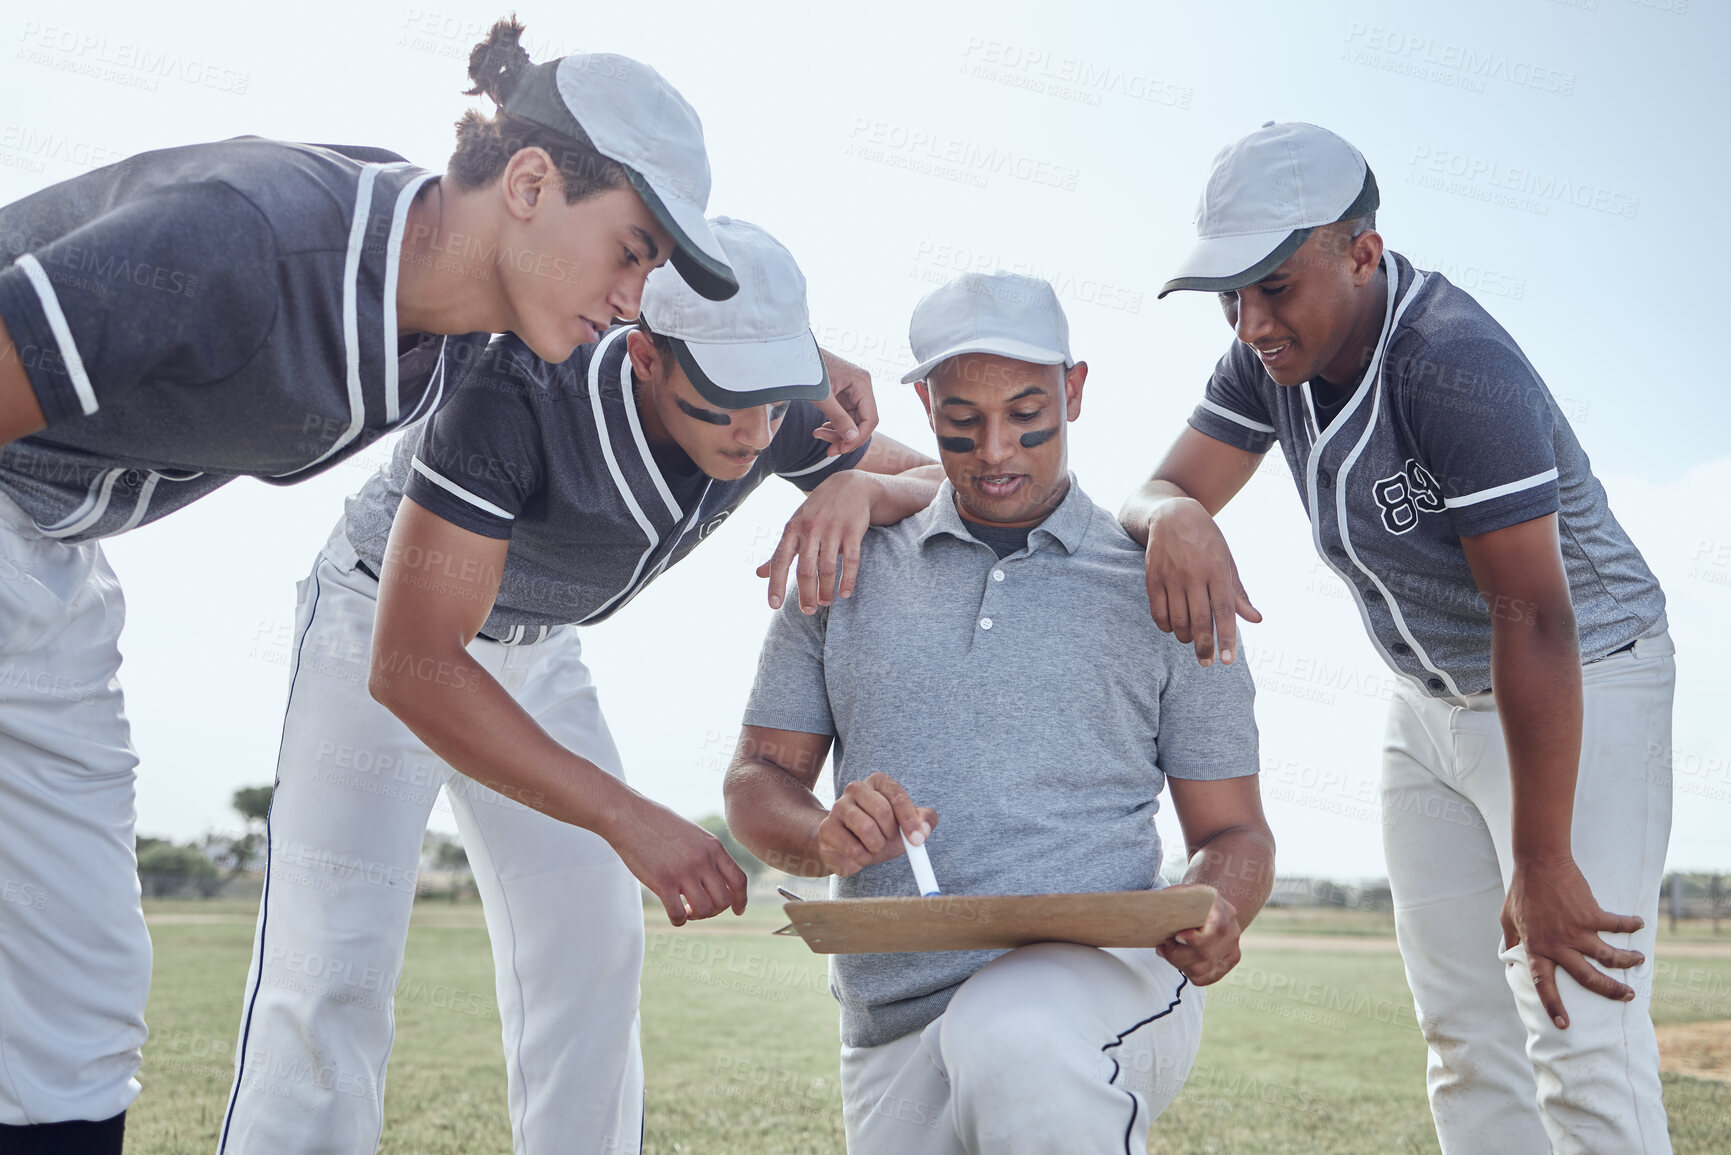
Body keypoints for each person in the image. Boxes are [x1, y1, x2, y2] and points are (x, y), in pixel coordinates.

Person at [0, 16, 793, 1149]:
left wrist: (835, 414)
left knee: (74, 1019)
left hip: (54, 555)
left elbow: (748, 369)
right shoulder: (257, 238)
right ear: (529, 182)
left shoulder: (457, 324)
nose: (635, 300)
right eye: (631, 252)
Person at [219, 217, 937, 1155]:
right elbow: (413, 665)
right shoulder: (512, 391)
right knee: (332, 964)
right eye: (724, 403)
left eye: (773, 403)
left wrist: (858, 489)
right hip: (384, 626)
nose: (756, 434)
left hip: (536, 642)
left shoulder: (768, 402)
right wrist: (629, 816)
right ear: (643, 356)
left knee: (591, 944)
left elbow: (944, 479)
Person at [1119, 122, 1672, 1153]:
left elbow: (1538, 615)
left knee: (1578, 1027)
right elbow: (1158, 491)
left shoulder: (1455, 365)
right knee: (1465, 1036)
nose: (1250, 321)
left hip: (1583, 675)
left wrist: (1542, 856)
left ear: (1362, 252)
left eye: (1274, 285)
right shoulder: (1263, 361)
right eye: (1230, 294)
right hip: (1425, 702)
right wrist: (1176, 514)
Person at [724, 271, 1275, 1155]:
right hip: (892, 1013)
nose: (994, 450)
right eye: (960, 421)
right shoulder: (844, 565)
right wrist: (823, 831)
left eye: (1027, 414)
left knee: (1006, 1024)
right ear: (922, 404)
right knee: (987, 1033)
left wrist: (1220, 907)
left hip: (1109, 985)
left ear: (1075, 390)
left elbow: (1237, 830)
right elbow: (757, 783)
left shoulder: (1167, 584)